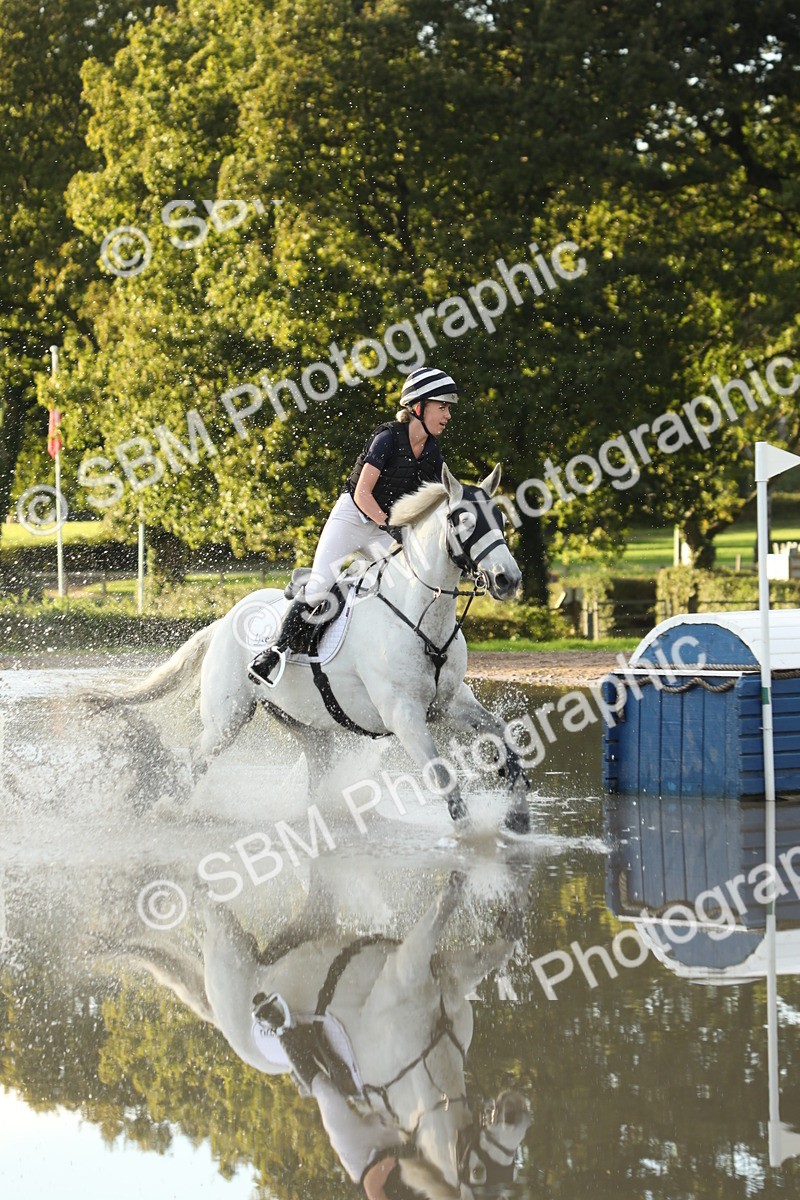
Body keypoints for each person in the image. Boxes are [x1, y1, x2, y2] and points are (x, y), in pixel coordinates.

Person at [249, 366, 458, 686]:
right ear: (418, 407)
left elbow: (436, 501)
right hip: (353, 517)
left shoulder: (432, 452)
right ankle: (274, 651)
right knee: (319, 589)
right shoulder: (387, 438)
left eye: (448, 408)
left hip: (383, 528)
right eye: (441, 406)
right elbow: (362, 494)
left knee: (403, 585)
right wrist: (392, 526)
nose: (447, 415)